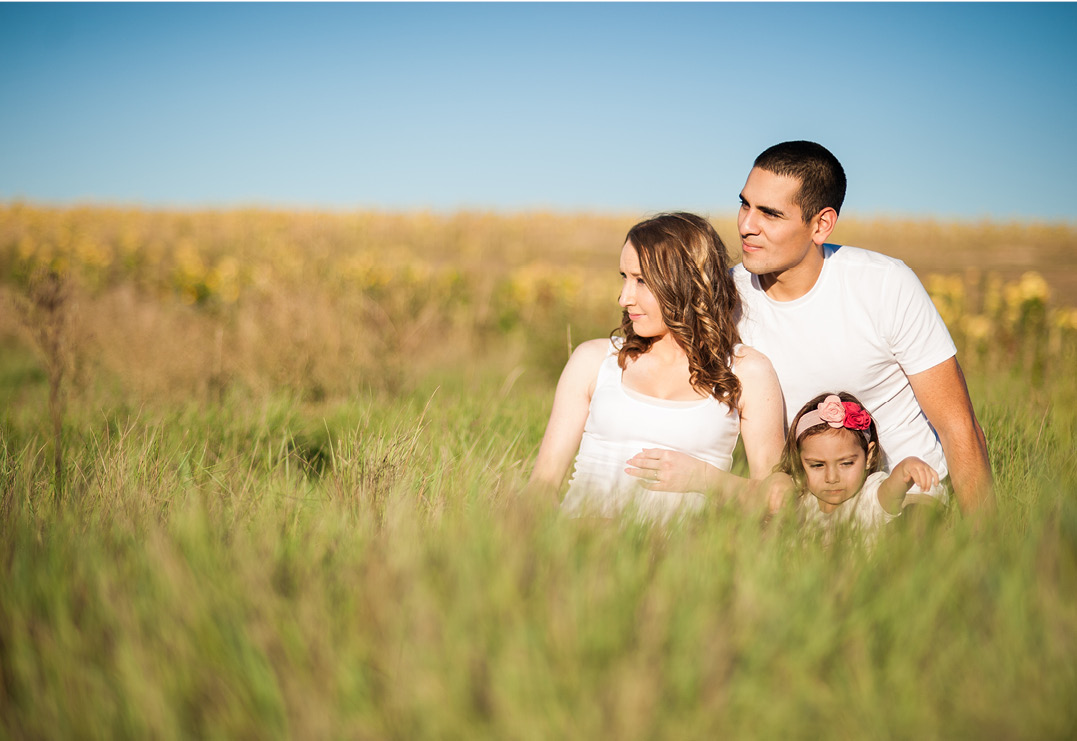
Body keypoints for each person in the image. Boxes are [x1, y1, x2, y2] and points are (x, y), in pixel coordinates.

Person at [731, 140, 994, 517]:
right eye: (745, 204)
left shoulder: (886, 285)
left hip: (907, 500)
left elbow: (959, 426)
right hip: (803, 505)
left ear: (820, 224)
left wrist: (987, 551)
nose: (746, 225)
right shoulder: (726, 297)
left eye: (770, 214)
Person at [527, 212, 786, 523]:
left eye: (641, 280)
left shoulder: (748, 372)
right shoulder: (594, 361)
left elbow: (779, 499)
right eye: (624, 277)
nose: (624, 298)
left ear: (688, 281)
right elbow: (541, 486)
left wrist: (705, 478)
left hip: (684, 563)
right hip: (582, 551)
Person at [780, 392, 941, 542]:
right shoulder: (801, 498)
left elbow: (891, 491)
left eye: (846, 463)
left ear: (869, 456)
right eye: (817, 465)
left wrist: (906, 467)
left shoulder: (868, 496)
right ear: (799, 461)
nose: (832, 478)